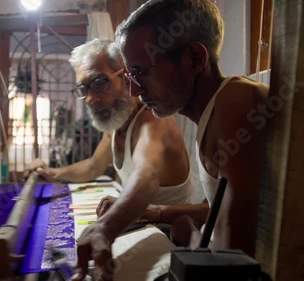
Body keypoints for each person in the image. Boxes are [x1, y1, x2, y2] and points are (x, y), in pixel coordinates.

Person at [68, 1, 267, 280]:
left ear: (194, 59)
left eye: (139, 72)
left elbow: (233, 263)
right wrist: (159, 213)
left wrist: (106, 227)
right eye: (128, 76)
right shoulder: (214, 112)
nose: (134, 90)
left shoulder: (236, 101)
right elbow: (222, 208)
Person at [23, 38, 205, 280]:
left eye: (99, 83)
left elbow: (146, 175)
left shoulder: (151, 121)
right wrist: (50, 172)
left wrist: (105, 227)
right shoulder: (117, 123)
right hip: (139, 225)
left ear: (126, 76)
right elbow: (93, 166)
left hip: (167, 235)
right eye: (83, 89)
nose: (89, 98)